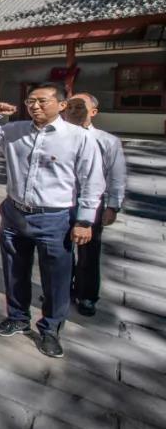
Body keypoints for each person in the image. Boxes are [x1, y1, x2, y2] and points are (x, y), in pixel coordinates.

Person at [0, 82, 104, 359]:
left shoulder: (79, 137)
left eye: (42, 101)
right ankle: (17, 317)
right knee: (15, 271)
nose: (35, 106)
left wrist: (85, 220)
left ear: (62, 105)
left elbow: (93, 180)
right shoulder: (14, 130)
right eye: (30, 101)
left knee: (56, 278)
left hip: (55, 218)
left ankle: (50, 329)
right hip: (15, 213)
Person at [63, 92, 126, 317]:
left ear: (93, 111)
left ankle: (87, 295)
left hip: (91, 201)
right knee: (60, 251)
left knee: (88, 253)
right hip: (59, 200)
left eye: (79, 107)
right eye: (70, 107)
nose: (73, 112)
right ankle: (62, 290)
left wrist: (113, 206)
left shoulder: (107, 141)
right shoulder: (56, 137)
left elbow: (116, 176)